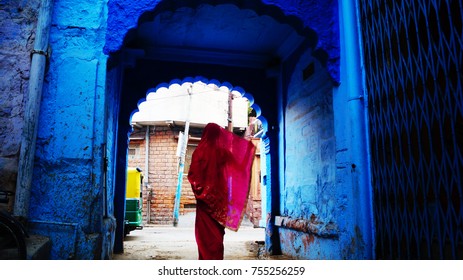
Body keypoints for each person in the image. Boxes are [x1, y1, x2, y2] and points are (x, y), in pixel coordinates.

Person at [187, 122, 256, 260]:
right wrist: (247, 146)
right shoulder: (222, 152)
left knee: (205, 237)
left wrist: (203, 193)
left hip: (204, 203)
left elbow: (192, 177)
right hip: (219, 200)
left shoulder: (198, 152)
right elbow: (239, 166)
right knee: (216, 238)